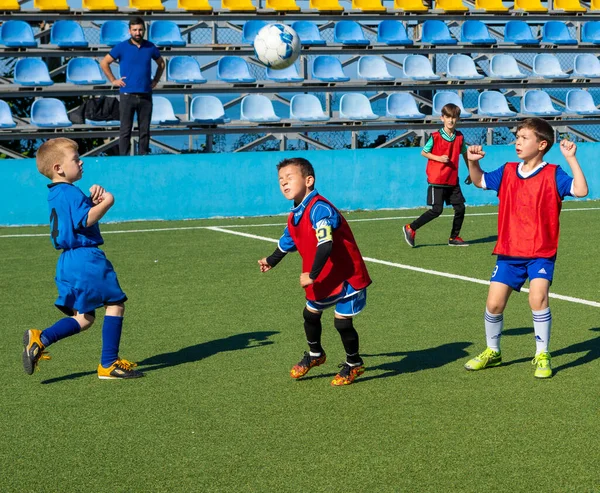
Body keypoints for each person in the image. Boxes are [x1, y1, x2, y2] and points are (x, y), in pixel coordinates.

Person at [463, 118, 588, 379]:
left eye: (524, 137)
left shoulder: (553, 173)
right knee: (494, 304)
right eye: (517, 137)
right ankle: (492, 351)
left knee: (538, 297)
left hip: (541, 250)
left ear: (542, 144)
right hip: (509, 251)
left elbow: (580, 189)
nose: (517, 141)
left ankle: (542, 353)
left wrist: (571, 158)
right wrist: (472, 162)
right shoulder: (508, 170)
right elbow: (479, 181)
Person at [23, 138, 143, 379]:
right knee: (115, 303)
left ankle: (40, 338)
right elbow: (85, 220)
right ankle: (108, 364)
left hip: (68, 261)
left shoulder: (57, 193)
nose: (81, 162)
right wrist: (107, 202)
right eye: (75, 159)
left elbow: (76, 217)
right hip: (86, 258)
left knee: (85, 318)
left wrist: (91, 201)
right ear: (58, 168)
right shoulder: (70, 192)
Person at [258, 158, 372, 386]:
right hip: (324, 275)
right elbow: (287, 241)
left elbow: (326, 243)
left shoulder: (319, 208)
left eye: (290, 178)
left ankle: (354, 364)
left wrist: (311, 275)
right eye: (281, 180)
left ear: (308, 180)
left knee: (342, 322)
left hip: (347, 274)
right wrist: (271, 260)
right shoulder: (294, 215)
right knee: (310, 314)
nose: (284, 183)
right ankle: (315, 355)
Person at [403, 103, 471, 248]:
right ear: (442, 118)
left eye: (454, 117)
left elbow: (465, 153)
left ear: (458, 118)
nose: (451, 120)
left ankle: (454, 237)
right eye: (448, 117)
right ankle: (411, 227)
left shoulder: (459, 137)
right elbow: (424, 152)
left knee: (460, 208)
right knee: (436, 210)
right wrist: (439, 158)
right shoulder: (435, 136)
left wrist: (471, 172)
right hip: (438, 179)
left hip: (452, 180)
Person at [100, 17, 165, 156]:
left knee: (145, 130)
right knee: (125, 130)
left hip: (145, 94)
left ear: (144, 31)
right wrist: (113, 80)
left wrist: (155, 81)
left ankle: (143, 158)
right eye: (134, 30)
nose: (137, 33)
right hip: (127, 95)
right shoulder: (121, 47)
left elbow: (161, 64)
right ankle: (124, 158)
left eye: (140, 30)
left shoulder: (150, 47)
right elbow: (104, 62)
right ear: (129, 31)